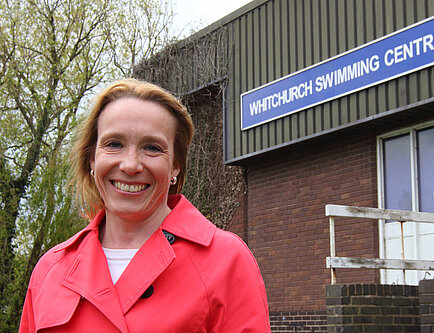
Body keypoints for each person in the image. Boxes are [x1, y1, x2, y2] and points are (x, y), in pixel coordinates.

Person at [19, 79, 271, 332]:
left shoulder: (226, 260)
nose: (130, 165)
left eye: (152, 148)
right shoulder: (50, 269)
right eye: (114, 144)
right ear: (92, 159)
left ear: (175, 166)